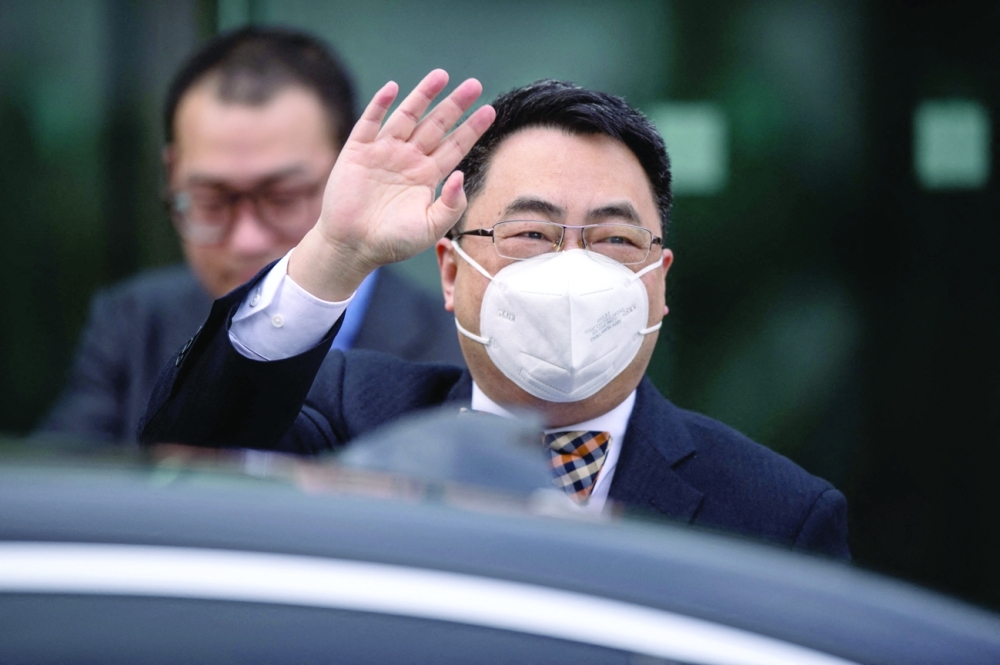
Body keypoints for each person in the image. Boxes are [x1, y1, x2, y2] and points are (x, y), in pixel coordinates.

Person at [139, 70, 849, 558]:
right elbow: (187, 461)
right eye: (531, 233)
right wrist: (335, 251)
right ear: (451, 271)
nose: (572, 267)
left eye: (613, 239)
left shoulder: (777, 513)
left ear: (658, 284)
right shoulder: (350, 418)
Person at [37, 29, 463, 444]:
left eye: (282, 198)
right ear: (171, 176)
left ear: (351, 172)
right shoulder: (135, 323)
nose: (246, 240)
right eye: (211, 200)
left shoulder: (458, 351)